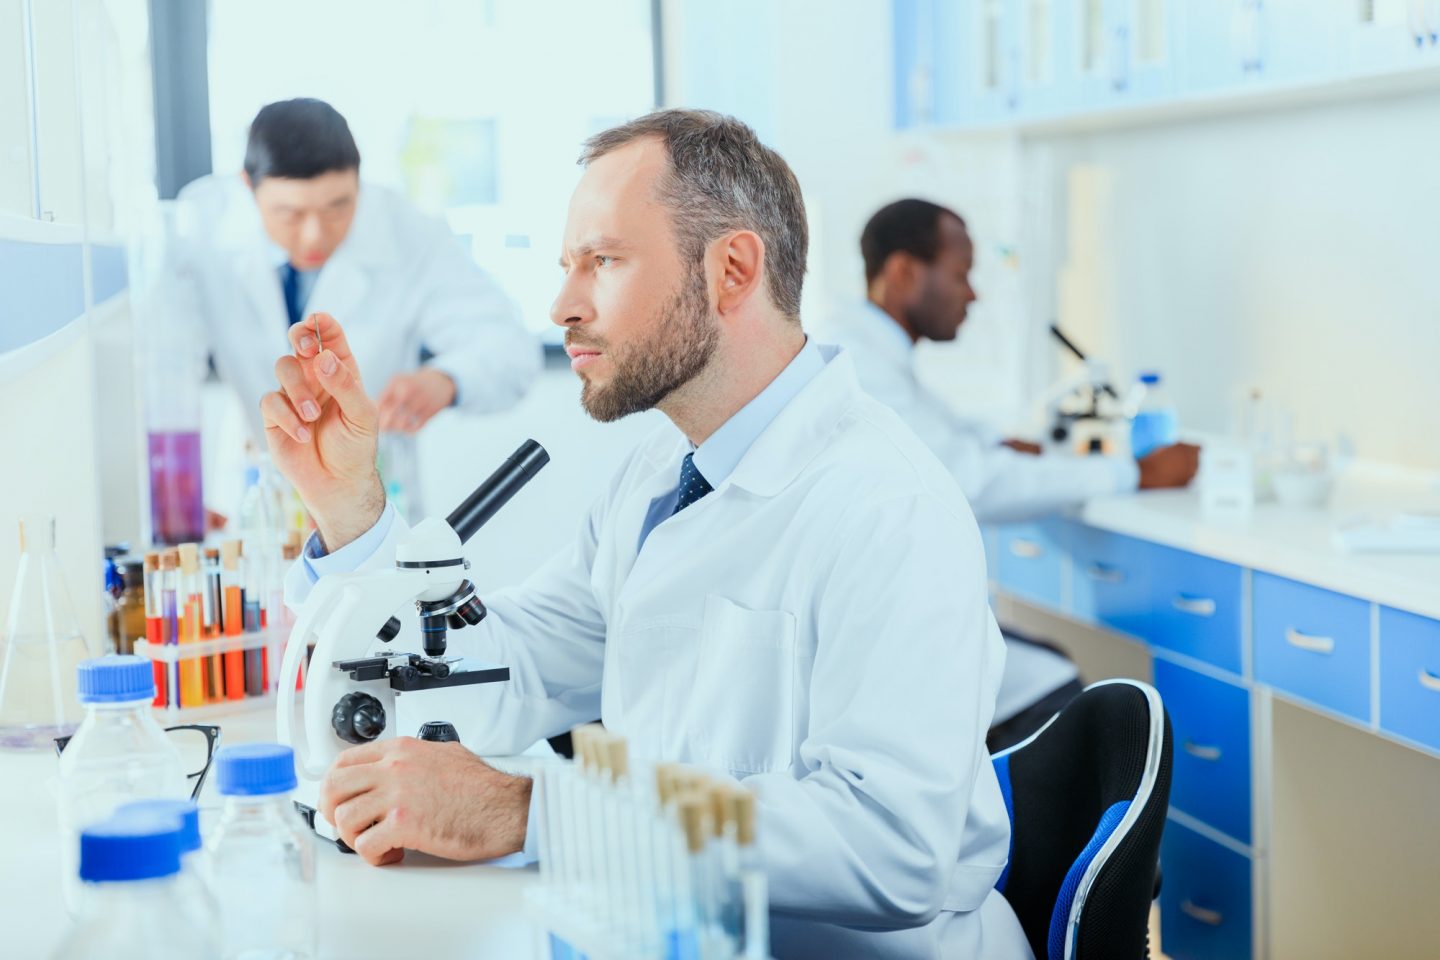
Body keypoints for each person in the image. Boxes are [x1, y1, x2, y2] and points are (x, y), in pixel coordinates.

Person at [264, 111, 1031, 958]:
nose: (562, 304)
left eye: (603, 261)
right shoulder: (659, 472)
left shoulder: (889, 505)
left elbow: (891, 848)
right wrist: (351, 510)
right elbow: (504, 669)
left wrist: (527, 811)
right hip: (668, 929)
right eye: (567, 267)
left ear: (731, 269)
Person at [821, 198, 1200, 750]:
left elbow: (942, 431)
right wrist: (1130, 473)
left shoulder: (858, 346)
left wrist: (1004, 442)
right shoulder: (865, 362)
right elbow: (969, 481)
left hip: (876, 620)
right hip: (882, 642)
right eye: (960, 274)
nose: (971, 293)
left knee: (1049, 662)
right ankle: (1043, 838)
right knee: (1060, 689)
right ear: (904, 272)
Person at [173, 98, 540, 516]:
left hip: (371, 497)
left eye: (337, 207)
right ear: (247, 186)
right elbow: (167, 364)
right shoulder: (201, 224)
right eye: (290, 214)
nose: (314, 235)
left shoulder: (409, 232)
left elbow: (511, 349)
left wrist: (445, 380)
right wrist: (179, 497)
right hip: (254, 498)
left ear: (359, 182)